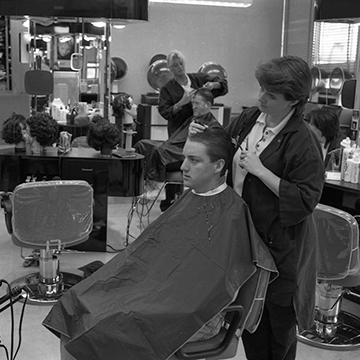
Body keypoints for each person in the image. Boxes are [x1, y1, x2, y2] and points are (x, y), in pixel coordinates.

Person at [43, 126, 278, 360]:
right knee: (74, 303)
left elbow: (211, 288)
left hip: (195, 314)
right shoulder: (191, 197)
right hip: (158, 293)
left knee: (105, 324)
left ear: (218, 165)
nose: (183, 166)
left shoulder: (233, 214)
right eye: (184, 158)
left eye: (194, 160)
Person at [190, 55, 325, 360]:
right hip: (245, 239)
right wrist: (205, 142)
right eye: (262, 89)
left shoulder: (302, 142)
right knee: (249, 320)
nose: (261, 97)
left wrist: (262, 171)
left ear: (294, 101)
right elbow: (226, 145)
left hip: (280, 249)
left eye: (271, 95)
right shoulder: (252, 118)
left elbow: (305, 198)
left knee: (276, 331)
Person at [158, 50, 228, 208]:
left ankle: (197, 198)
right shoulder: (167, 89)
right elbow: (165, 112)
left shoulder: (198, 78)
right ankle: (171, 201)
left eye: (181, 63)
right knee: (174, 158)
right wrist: (181, 102)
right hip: (179, 131)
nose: (179, 67)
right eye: (175, 65)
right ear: (169, 68)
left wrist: (214, 84)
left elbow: (222, 84)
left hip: (201, 125)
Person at [135, 88, 223, 202]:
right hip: (174, 148)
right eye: (193, 103)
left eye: (197, 103)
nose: (194, 106)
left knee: (159, 151)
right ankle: (140, 184)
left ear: (208, 105)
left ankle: (157, 188)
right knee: (142, 145)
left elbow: (200, 150)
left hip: (185, 155)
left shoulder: (211, 125)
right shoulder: (193, 118)